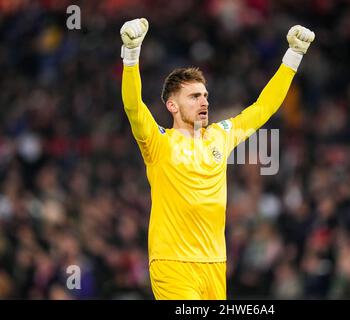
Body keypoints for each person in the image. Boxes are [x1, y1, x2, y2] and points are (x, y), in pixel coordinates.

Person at [120, 18, 315, 300]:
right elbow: (133, 108)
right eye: (194, 96)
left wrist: (293, 55)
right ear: (172, 105)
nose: (204, 102)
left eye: (206, 96)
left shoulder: (219, 136)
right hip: (173, 264)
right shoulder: (158, 142)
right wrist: (131, 55)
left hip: (214, 264)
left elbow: (263, 108)